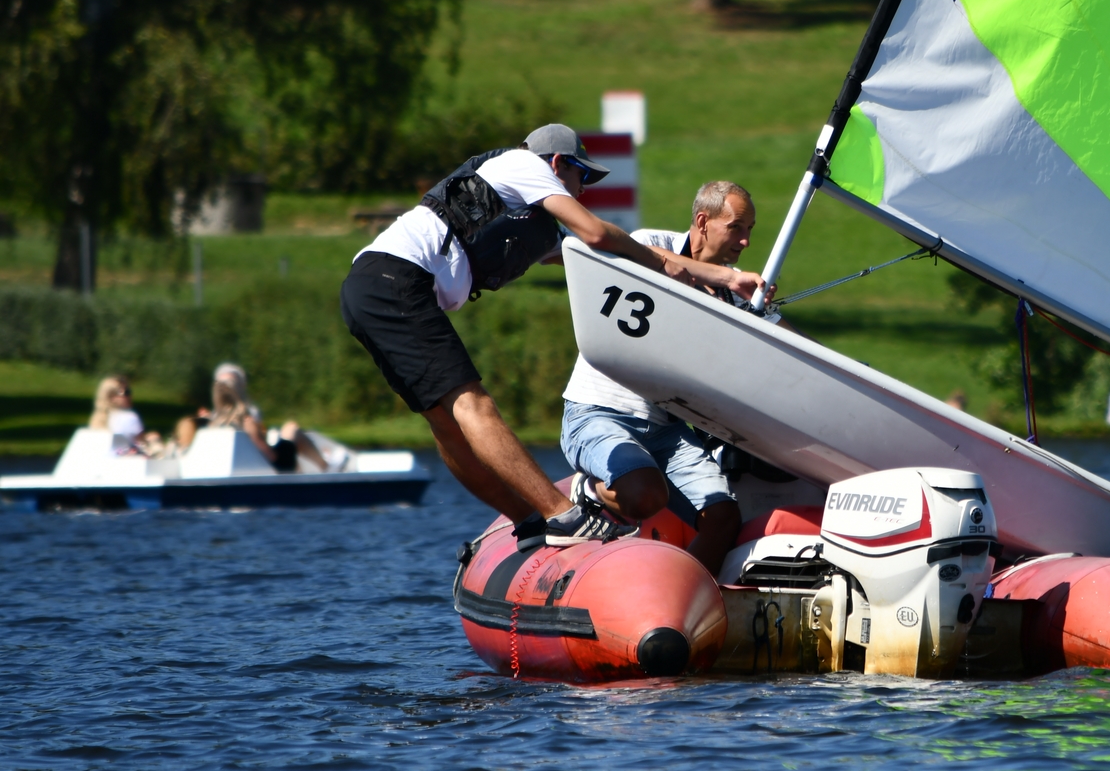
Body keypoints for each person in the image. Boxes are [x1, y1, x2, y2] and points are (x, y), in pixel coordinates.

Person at [340, 126, 765, 549]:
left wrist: (729, 278)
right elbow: (598, 233)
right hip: (395, 279)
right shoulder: (524, 165)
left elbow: (607, 254)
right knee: (474, 405)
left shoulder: (521, 211)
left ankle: (526, 519)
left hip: (368, 289)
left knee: (447, 425)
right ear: (558, 163)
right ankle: (563, 514)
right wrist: (670, 262)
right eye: (582, 175)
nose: (582, 191)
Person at [560, 181, 777, 573]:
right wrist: (723, 279)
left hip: (666, 429)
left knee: (724, 518)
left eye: (750, 230)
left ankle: (682, 591)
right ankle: (589, 491)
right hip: (599, 411)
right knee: (646, 495)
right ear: (702, 222)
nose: (745, 241)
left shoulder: (735, 295)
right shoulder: (648, 242)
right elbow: (634, 251)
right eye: (737, 228)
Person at [174, 363, 327, 473]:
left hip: (226, 464)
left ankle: (318, 467)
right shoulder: (247, 420)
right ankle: (324, 467)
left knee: (289, 432)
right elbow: (271, 458)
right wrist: (257, 437)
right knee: (291, 429)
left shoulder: (212, 424)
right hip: (272, 465)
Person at [88, 375, 162, 454]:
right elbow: (141, 444)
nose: (130, 396)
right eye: (126, 392)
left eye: (129, 391)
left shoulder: (95, 419)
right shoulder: (130, 417)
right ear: (111, 397)